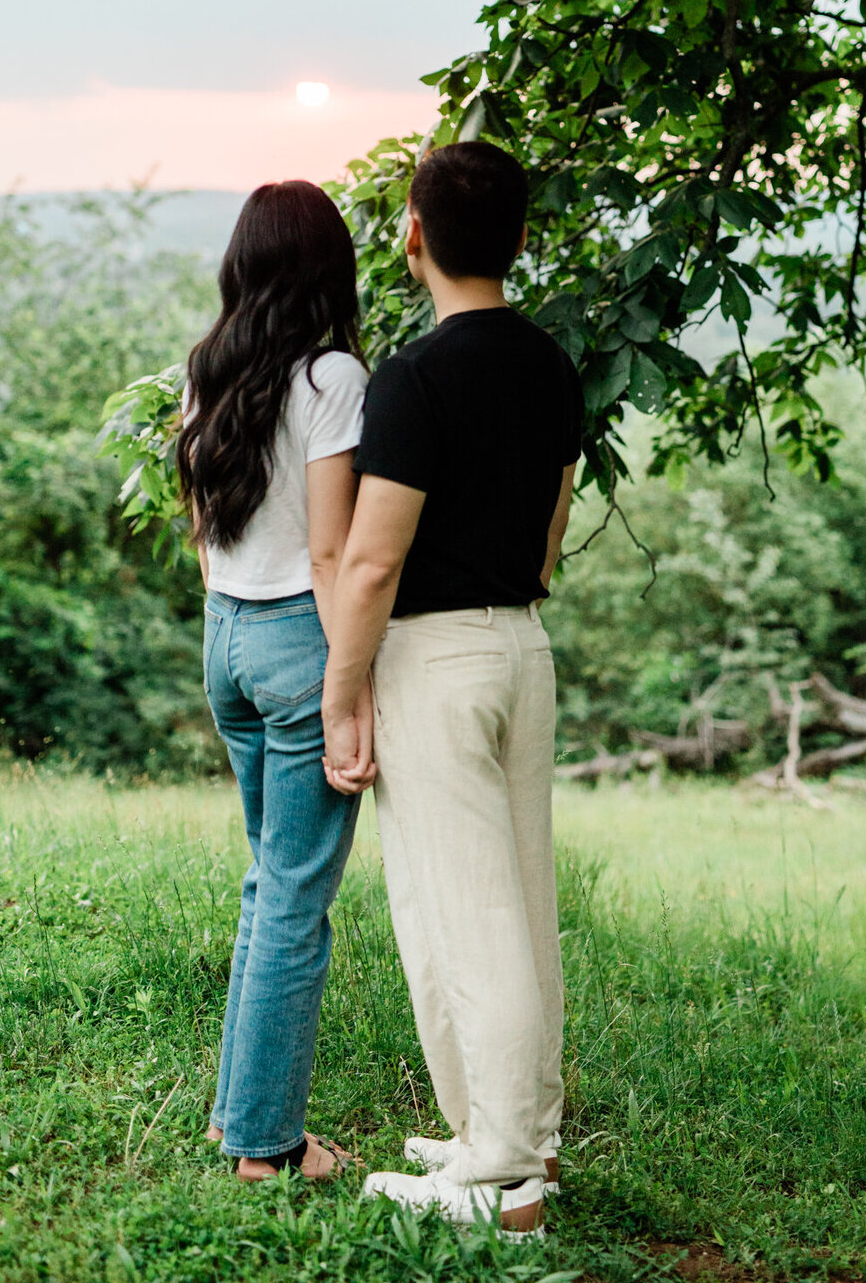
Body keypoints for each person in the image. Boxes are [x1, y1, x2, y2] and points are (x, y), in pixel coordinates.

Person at [320, 140, 582, 1238]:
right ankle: (510, 1133)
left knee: (468, 917)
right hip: (522, 647)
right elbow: (552, 537)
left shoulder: (416, 379)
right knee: (516, 900)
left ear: (413, 236)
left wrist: (345, 690)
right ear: (522, 240)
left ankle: (501, 1174)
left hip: (437, 658)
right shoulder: (556, 366)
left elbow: (372, 561)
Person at [177, 180, 375, 1182]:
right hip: (301, 642)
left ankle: (234, 1118)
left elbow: (207, 535)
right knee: (296, 896)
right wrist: (351, 693)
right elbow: (334, 553)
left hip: (226, 639)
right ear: (328, 267)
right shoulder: (335, 377)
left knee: (270, 882)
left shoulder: (205, 371)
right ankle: (266, 1147)